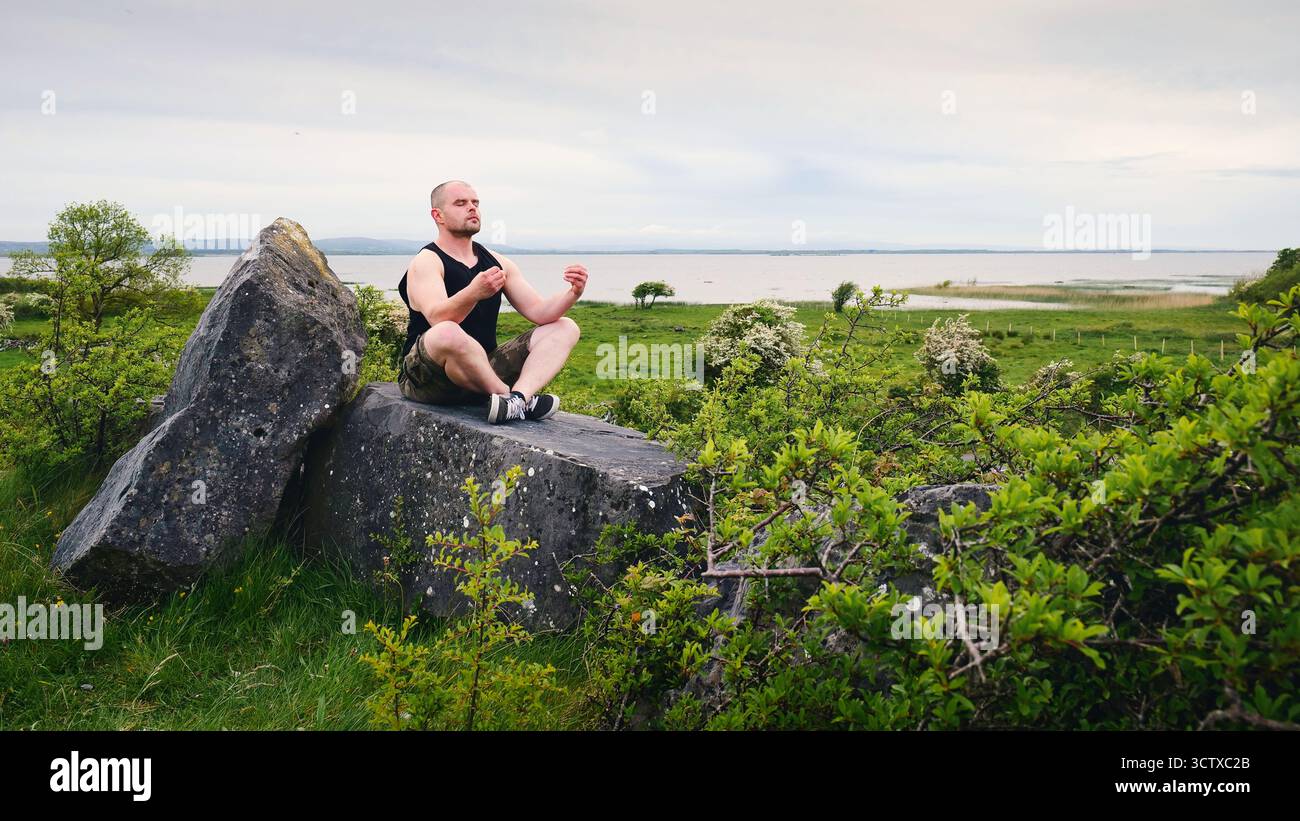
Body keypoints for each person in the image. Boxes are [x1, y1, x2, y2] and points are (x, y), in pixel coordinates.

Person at [396, 180, 585, 423]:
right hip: (429, 377)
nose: (472, 208)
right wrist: (474, 292)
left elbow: (540, 312)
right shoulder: (426, 261)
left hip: (481, 373)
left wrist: (573, 293)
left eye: (475, 203)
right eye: (461, 203)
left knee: (566, 327)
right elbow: (438, 318)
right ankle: (508, 397)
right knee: (447, 332)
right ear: (438, 215)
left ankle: (518, 398)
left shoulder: (497, 262)